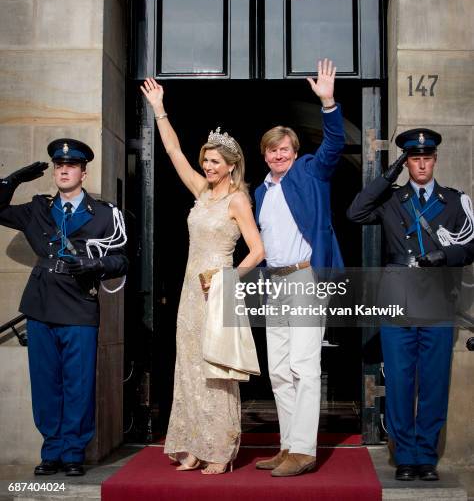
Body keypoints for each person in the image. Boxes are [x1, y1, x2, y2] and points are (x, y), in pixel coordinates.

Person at [140, 77, 265, 475]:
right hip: (190, 293)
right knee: (189, 367)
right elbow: (174, 151)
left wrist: (226, 276)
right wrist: (160, 109)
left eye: (215, 161)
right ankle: (192, 445)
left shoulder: (238, 199)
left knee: (215, 369)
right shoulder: (200, 192)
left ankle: (219, 450)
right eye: (206, 160)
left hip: (219, 290)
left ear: (231, 165)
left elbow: (258, 251)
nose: (207, 166)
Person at [347, 129, 474, 481]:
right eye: (413, 158)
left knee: (433, 383)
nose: (420, 163)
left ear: (435, 160)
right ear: (407, 162)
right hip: (397, 301)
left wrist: (444, 254)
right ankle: (404, 456)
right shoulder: (391, 199)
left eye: (426, 158)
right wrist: (389, 173)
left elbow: (471, 246)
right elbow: (355, 212)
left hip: (436, 302)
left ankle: (426, 457)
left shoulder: (453, 201)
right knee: (401, 382)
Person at [0, 140, 128, 476]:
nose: (63, 170)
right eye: (59, 166)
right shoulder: (37, 209)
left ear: (83, 172)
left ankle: (73, 452)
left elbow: (123, 259)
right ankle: (51, 452)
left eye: (70, 166)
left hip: (79, 305)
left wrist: (95, 266)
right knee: (46, 384)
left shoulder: (104, 214)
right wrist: (11, 182)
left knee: (78, 383)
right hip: (41, 305)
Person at [254, 58, 345, 477]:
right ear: (265, 155)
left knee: (305, 366)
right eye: (272, 150)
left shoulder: (311, 171)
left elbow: (333, 146)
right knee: (278, 368)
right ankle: (288, 444)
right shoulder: (260, 191)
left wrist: (327, 103)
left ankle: (305, 450)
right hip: (275, 283)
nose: (278, 154)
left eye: (284, 149)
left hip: (307, 277)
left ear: (294, 151)